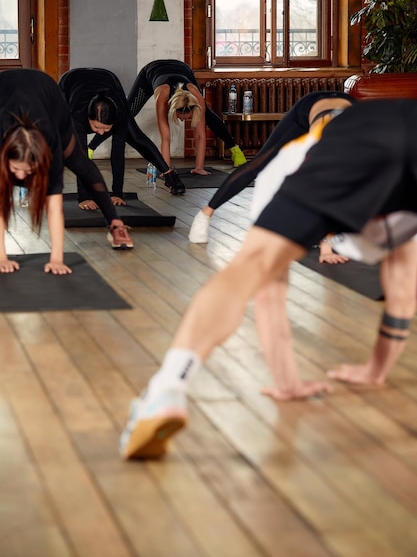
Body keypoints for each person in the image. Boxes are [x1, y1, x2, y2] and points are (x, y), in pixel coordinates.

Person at [118, 98, 417, 459]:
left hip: (354, 138)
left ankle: (167, 388)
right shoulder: (313, 157)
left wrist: (288, 382)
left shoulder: (293, 161)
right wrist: (375, 370)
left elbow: (268, 291)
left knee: (251, 267)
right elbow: (402, 290)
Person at [0, 68, 133, 276]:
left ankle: (115, 222)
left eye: (27, 171)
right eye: (15, 169)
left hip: (47, 93)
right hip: (4, 89)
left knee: (83, 165)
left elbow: (54, 207)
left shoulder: (53, 143)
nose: (19, 177)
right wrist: (1, 257)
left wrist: (56, 259)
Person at [188, 90, 356, 252]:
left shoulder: (360, 142)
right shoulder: (320, 142)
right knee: (258, 164)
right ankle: (204, 214)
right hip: (307, 110)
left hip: (346, 111)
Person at [59, 67, 179, 206]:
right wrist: (84, 198)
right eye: (97, 127)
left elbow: (118, 153)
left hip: (108, 78)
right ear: (88, 119)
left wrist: (117, 194)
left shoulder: (119, 114)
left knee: (135, 135)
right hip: (70, 80)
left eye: (106, 129)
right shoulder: (76, 115)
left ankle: (169, 175)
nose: (101, 133)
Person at [122, 59, 247, 177]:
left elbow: (199, 136)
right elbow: (165, 138)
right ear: (172, 109)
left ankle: (235, 150)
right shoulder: (162, 97)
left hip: (182, 69)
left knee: (207, 114)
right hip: (152, 71)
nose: (183, 120)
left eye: (188, 117)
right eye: (181, 117)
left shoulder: (196, 97)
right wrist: (167, 170)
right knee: (126, 114)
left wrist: (199, 168)